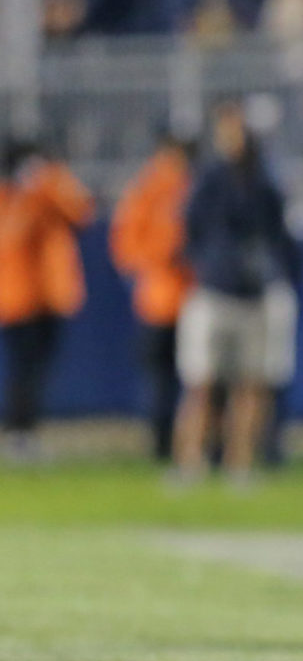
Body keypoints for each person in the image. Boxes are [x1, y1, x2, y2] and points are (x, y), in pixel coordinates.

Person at [173, 101, 292, 483]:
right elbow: (189, 229)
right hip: (213, 292)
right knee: (201, 383)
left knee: (250, 383)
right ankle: (191, 461)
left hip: (254, 294)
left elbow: (277, 234)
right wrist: (209, 265)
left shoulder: (264, 179)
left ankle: (239, 464)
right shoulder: (210, 178)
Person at [0, 141, 94, 460]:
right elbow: (12, 239)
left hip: (48, 297)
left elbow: (82, 211)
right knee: (22, 370)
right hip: (16, 299)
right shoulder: (10, 199)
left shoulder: (46, 194)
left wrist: (52, 182)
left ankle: (27, 432)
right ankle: (18, 434)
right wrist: (29, 198)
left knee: (37, 371)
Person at [111, 133, 195, 462]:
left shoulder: (183, 187)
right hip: (167, 301)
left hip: (175, 300)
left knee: (183, 382)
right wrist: (166, 255)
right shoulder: (148, 190)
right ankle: (166, 447)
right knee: (170, 381)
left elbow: (126, 250)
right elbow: (128, 250)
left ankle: (178, 447)